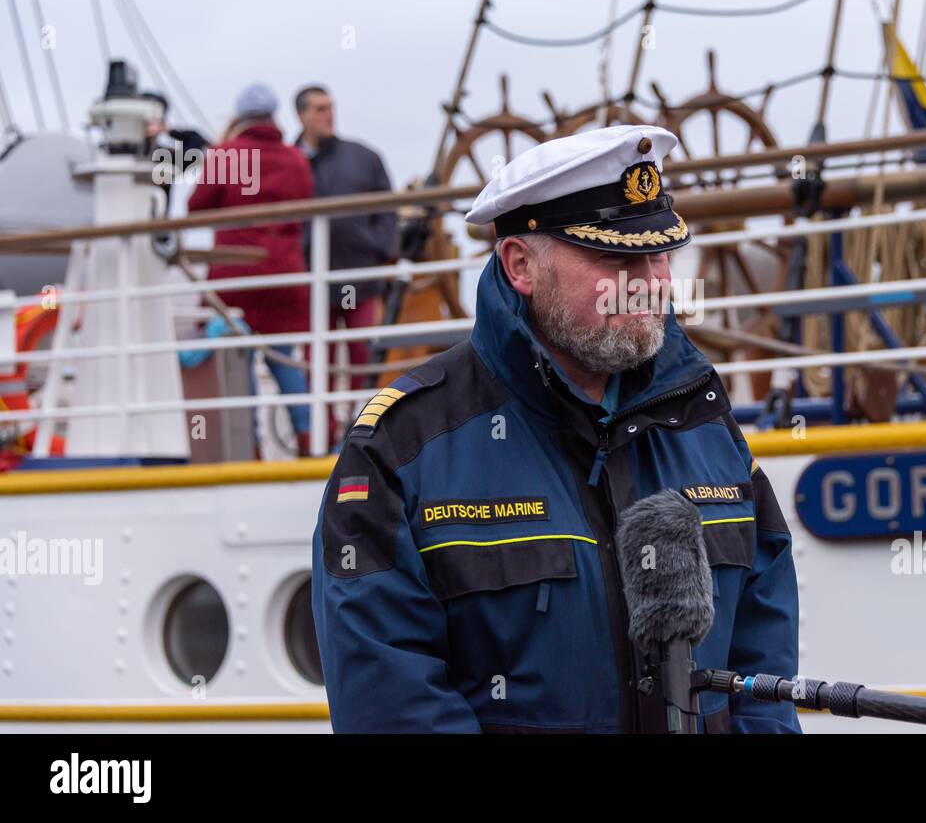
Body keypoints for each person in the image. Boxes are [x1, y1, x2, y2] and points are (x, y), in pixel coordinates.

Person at [311, 125, 800, 733]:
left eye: (658, 253)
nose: (648, 281)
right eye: (615, 257)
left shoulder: (703, 422)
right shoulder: (402, 449)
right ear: (520, 265)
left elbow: (763, 667)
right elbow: (390, 703)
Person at [187, 83, 314, 458]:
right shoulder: (295, 158)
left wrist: (223, 143)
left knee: (240, 362)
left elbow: (197, 206)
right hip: (284, 274)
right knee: (283, 358)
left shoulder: (228, 155)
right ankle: (309, 441)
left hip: (237, 274)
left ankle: (254, 448)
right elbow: (306, 203)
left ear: (240, 117)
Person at [293, 85, 397, 432]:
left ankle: (360, 431)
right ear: (302, 115)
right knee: (314, 363)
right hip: (310, 281)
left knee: (362, 359)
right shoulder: (290, 162)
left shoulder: (363, 157)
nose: (329, 114)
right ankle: (317, 434)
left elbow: (387, 208)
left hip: (359, 276)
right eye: (320, 108)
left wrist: (381, 248)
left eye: (331, 107)